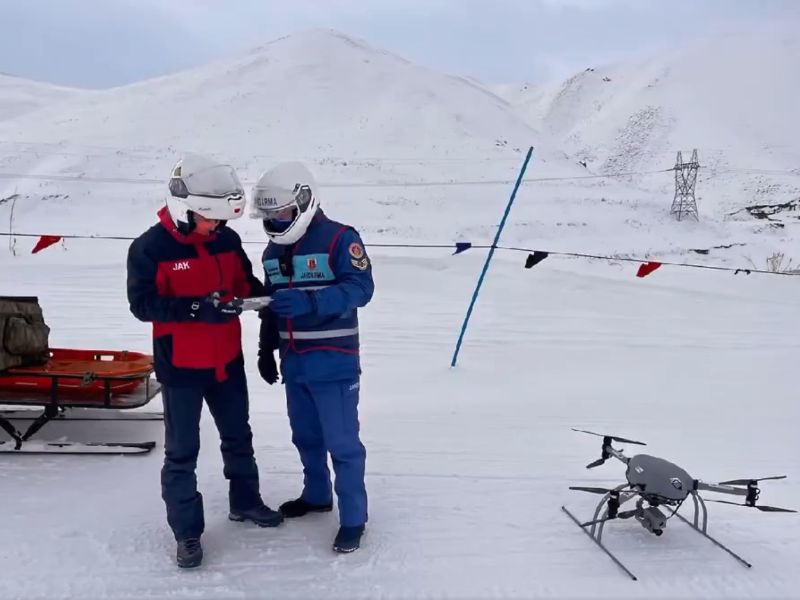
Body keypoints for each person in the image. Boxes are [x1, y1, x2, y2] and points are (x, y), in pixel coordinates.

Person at [126, 153, 283, 569]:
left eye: (220, 220)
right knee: (182, 451)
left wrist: (257, 298)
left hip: (226, 361)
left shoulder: (225, 240)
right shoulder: (149, 248)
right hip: (180, 368)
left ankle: (246, 503)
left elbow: (243, 281)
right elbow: (142, 304)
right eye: (209, 219)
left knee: (238, 436)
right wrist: (196, 309)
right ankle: (187, 532)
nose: (217, 227)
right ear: (184, 210)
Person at [250, 161, 374, 553]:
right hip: (295, 362)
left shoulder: (340, 239)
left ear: (304, 201)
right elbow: (273, 306)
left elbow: (360, 288)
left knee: (342, 442)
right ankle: (317, 495)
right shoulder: (272, 250)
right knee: (305, 436)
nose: (276, 220)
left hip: (334, 363)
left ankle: (354, 518)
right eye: (270, 215)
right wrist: (265, 348)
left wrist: (312, 301)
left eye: (282, 213)